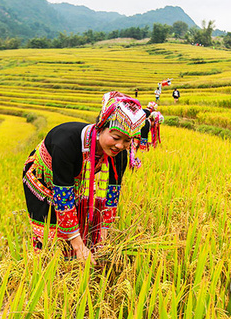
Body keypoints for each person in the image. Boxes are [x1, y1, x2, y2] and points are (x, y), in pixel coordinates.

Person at [22, 92, 146, 264]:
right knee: (49, 233)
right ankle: (44, 268)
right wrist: (79, 245)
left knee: (85, 224)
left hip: (77, 179)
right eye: (116, 137)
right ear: (100, 127)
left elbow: (111, 198)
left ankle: (75, 260)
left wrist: (103, 236)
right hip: (42, 180)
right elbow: (63, 198)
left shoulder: (120, 155)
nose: (120, 145)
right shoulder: (66, 143)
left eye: (127, 140)